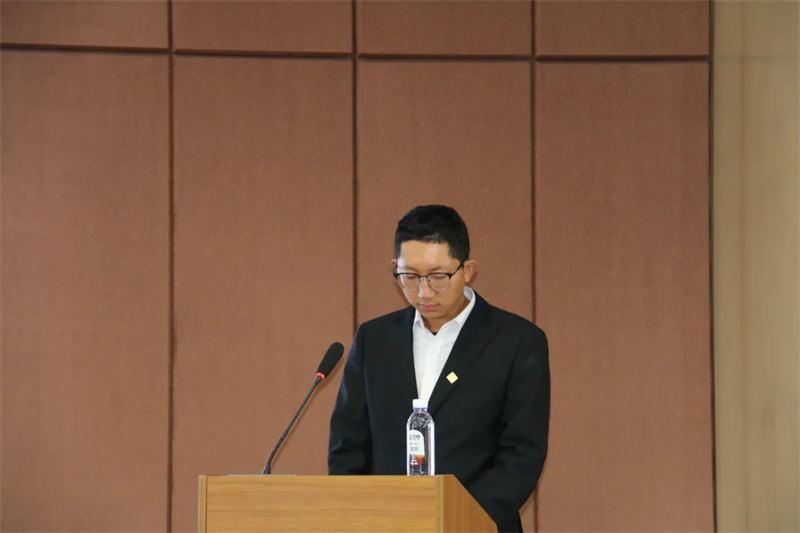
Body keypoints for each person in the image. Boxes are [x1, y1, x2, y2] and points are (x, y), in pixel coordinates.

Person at [328, 205, 550, 532]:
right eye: (410, 277)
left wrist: (458, 519)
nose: (424, 292)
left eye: (438, 277)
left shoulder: (516, 341)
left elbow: (522, 455)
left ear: (467, 270)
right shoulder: (374, 340)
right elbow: (348, 447)